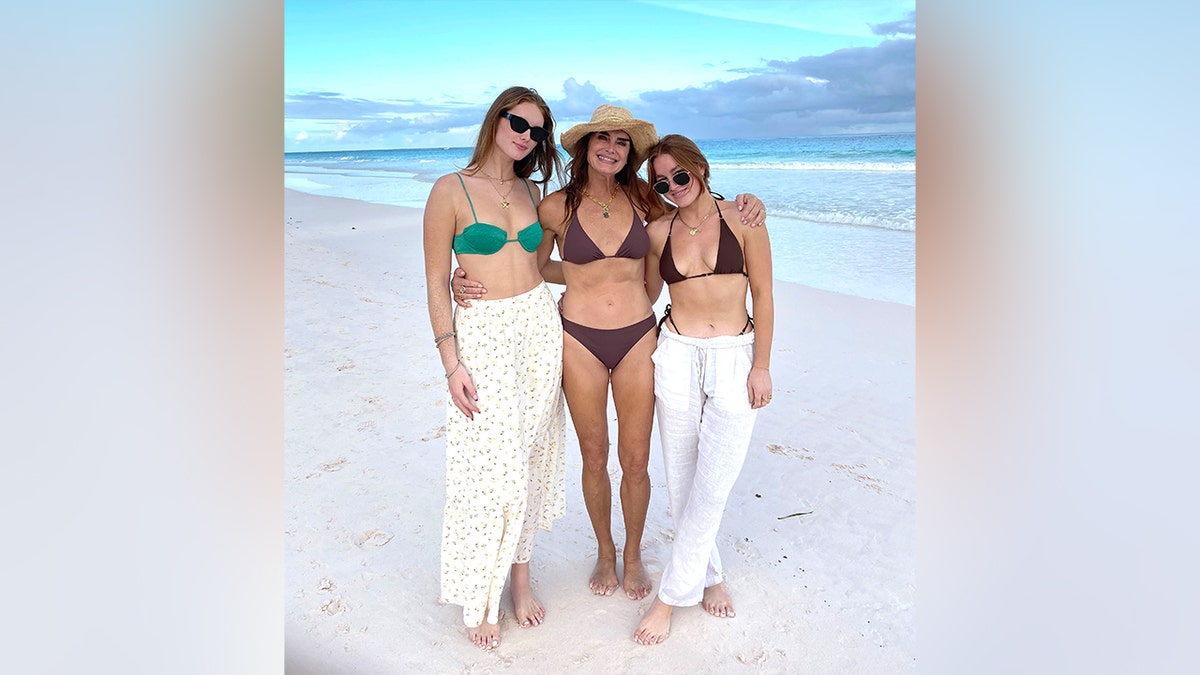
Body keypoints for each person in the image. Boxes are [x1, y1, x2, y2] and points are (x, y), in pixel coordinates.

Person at [451, 105, 766, 602]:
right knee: (594, 455)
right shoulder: (554, 206)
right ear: (584, 146)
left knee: (636, 458)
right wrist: (464, 276)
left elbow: (694, 215)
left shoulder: (646, 198)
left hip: (639, 335)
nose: (612, 148)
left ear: (630, 153)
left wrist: (744, 202)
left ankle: (635, 554)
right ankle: (604, 550)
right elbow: (528, 265)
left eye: (622, 142)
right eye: (603, 139)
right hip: (578, 338)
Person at [422, 86, 566, 651]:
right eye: (517, 122)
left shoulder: (534, 191)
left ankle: (520, 579)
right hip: (482, 332)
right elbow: (436, 279)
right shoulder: (449, 190)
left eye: (536, 130)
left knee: (530, 455)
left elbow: (540, 265)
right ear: (496, 119)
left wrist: (609, 275)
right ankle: (481, 594)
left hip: (537, 323)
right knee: (490, 466)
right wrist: (449, 360)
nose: (525, 135)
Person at [633, 134, 774, 646]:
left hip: (735, 356)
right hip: (674, 353)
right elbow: (647, 293)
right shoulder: (656, 232)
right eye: (662, 182)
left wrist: (761, 365)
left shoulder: (744, 217)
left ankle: (669, 597)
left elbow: (764, 292)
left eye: (681, 177)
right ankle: (710, 575)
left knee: (713, 483)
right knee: (681, 477)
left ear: (701, 169)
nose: (673, 188)